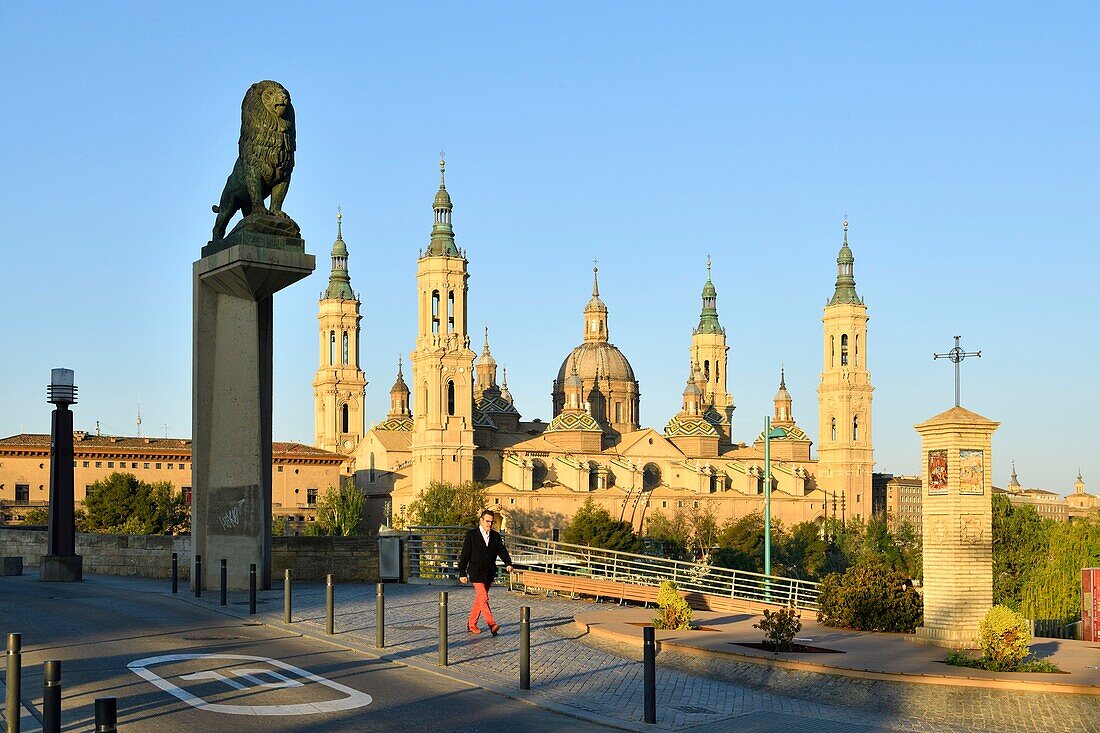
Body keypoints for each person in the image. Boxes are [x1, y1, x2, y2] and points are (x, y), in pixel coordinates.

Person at [457, 509, 513, 635]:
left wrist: (508, 563)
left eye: (491, 522)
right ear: (480, 520)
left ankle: (471, 623)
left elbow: (502, 551)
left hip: (488, 573)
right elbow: (465, 554)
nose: (489, 524)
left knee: (480, 600)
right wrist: (462, 572)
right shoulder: (471, 535)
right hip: (476, 572)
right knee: (483, 598)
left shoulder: (495, 536)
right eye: (487, 521)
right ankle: (492, 624)